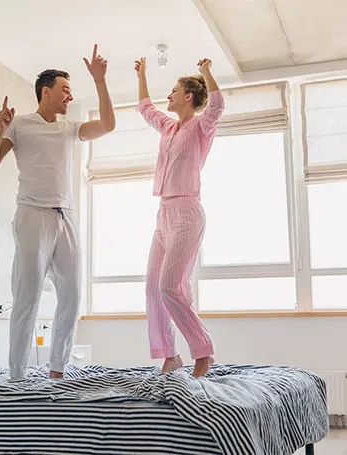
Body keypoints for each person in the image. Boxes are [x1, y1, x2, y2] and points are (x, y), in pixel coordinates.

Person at [0, 44, 115, 380]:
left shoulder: (69, 128)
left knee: (72, 294)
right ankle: (17, 375)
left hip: (65, 216)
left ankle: (57, 369)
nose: (70, 97)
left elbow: (108, 125)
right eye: (65, 90)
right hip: (31, 215)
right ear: (46, 91)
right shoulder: (20, 125)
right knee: (28, 295)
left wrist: (100, 81)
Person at [134, 56, 224, 377]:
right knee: (152, 287)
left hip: (187, 212)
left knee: (172, 285)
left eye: (173, 90)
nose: (168, 96)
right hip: (164, 214)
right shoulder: (169, 127)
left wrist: (206, 73)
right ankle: (170, 356)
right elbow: (145, 108)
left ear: (188, 96)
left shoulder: (201, 127)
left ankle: (203, 351)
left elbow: (216, 105)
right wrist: (142, 76)